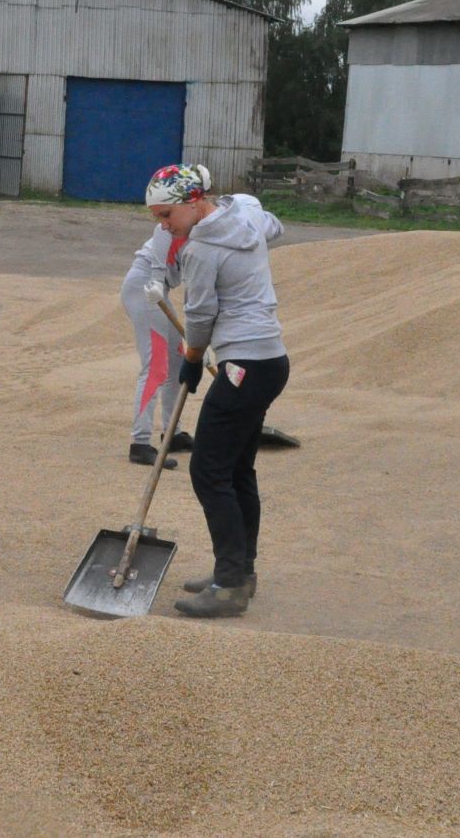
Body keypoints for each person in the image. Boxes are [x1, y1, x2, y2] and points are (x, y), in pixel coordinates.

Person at [144, 163, 289, 620]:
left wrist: (191, 361)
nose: (163, 227)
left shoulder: (201, 251)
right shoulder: (242, 211)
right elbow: (275, 225)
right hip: (269, 360)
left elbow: (201, 317)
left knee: (208, 470)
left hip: (244, 362)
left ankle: (229, 585)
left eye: (166, 216)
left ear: (192, 203)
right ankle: (240, 573)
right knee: (237, 468)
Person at [121, 219, 193, 467]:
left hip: (159, 289)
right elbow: (161, 233)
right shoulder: (176, 225)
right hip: (145, 287)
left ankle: (173, 433)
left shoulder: (208, 232)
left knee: (178, 360)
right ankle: (139, 444)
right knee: (155, 367)